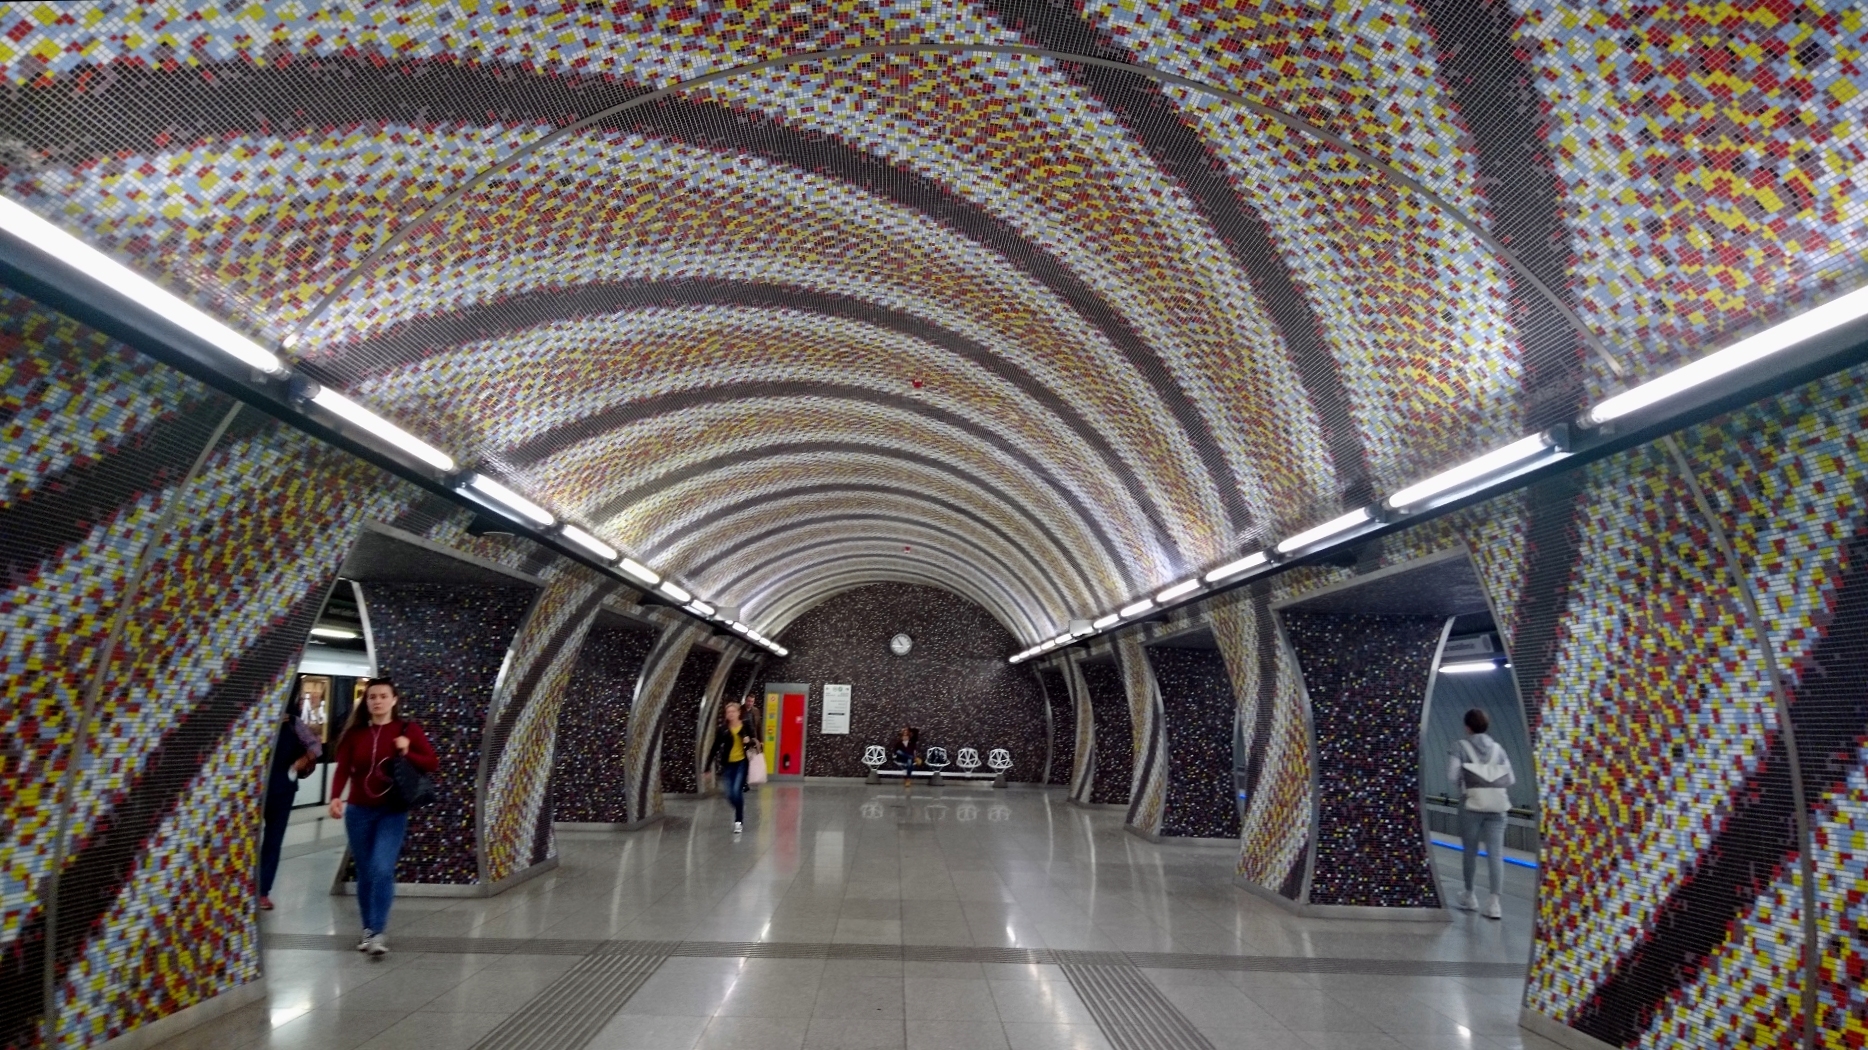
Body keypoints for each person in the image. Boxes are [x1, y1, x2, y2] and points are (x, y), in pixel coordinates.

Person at [328, 677, 437, 956]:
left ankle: (378, 931)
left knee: (382, 868)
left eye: (383, 696)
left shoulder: (407, 730)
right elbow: (343, 768)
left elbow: (432, 762)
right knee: (365, 871)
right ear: (366, 702)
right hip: (358, 812)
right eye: (372, 697)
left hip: (392, 811)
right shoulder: (355, 734)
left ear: (394, 700)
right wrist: (336, 796)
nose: (377, 701)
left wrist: (407, 751)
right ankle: (368, 930)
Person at [1447, 707, 1515, 919]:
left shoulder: (1460, 746)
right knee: (1496, 854)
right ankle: (1494, 903)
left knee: (1470, 852)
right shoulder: (1498, 749)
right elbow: (1511, 778)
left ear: (1467, 727)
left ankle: (1470, 895)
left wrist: (1468, 782)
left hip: (1471, 805)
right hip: (1498, 807)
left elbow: (1452, 775)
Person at [258, 710, 321, 910]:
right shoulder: (254, 718)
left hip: (282, 791)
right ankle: (244, 888)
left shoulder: (293, 723)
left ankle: (262, 891)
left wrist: (305, 758)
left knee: (273, 841)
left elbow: (315, 745)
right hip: (252, 792)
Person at [707, 701, 760, 834]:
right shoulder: (723, 729)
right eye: (728, 712)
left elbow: (754, 741)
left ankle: (738, 821)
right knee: (729, 794)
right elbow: (715, 747)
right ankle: (739, 806)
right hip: (728, 764)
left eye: (733, 711)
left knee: (736, 790)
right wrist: (707, 767)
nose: (730, 714)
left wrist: (748, 741)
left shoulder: (745, 725)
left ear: (738, 713)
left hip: (742, 763)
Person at [891, 726, 919, 797]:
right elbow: (895, 752)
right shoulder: (898, 743)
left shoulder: (912, 743)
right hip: (901, 758)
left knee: (909, 760)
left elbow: (916, 732)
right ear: (901, 737)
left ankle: (907, 779)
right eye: (903, 736)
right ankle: (913, 758)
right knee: (899, 751)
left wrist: (909, 729)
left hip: (909, 760)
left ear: (909, 737)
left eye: (906, 736)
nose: (905, 737)